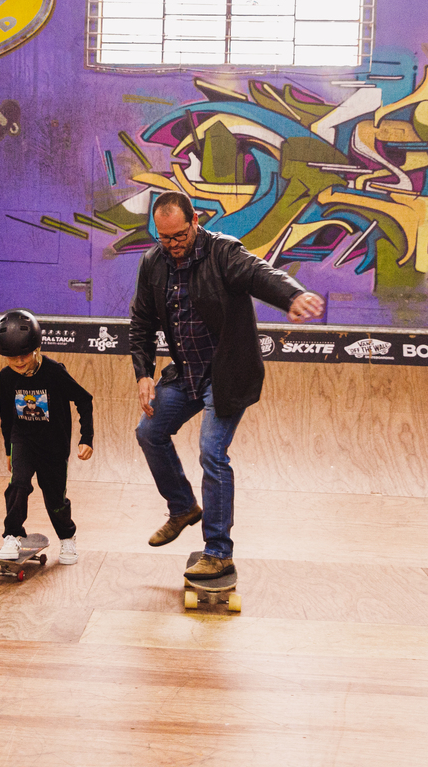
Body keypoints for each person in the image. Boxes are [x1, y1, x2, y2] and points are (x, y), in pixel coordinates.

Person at [129, 191, 325, 580]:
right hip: (186, 372)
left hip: (227, 374)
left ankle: (218, 551)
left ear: (195, 221)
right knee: (149, 432)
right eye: (165, 238)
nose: (174, 245)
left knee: (212, 452)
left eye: (180, 236)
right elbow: (142, 321)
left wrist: (292, 295)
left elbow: (259, 273)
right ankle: (182, 507)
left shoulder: (222, 252)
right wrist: (143, 373)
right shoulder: (153, 263)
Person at [0, 308, 93, 565]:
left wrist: (87, 437)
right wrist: (8, 450)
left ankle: (67, 537)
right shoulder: (6, 378)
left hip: (54, 445)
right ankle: (12, 534)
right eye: (12, 357)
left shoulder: (53, 372)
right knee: (18, 485)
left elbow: (84, 399)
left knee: (55, 498)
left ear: (37, 348)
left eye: (25, 355)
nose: (19, 362)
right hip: (23, 440)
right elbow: (6, 417)